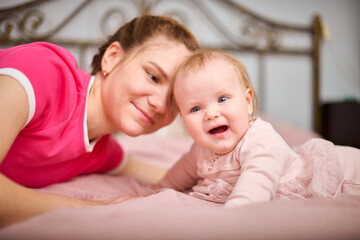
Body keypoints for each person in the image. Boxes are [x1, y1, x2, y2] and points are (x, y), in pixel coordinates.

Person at [0, 15, 199, 227]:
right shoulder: (40, 72)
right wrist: (87, 208)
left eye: (174, 100)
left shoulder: (100, 151)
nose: (160, 104)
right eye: (153, 76)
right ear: (112, 57)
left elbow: (172, 177)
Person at [155, 49, 360, 207]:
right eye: (196, 108)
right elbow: (172, 180)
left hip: (345, 173)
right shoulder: (198, 152)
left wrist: (231, 219)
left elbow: (252, 193)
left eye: (222, 99)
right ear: (182, 119)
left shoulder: (261, 141)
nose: (211, 114)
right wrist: (149, 192)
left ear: (248, 102)